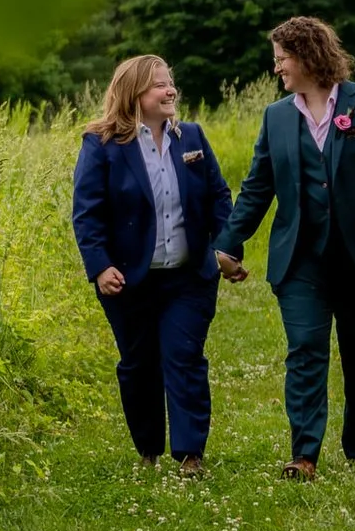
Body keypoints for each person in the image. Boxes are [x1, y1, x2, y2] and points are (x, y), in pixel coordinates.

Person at [212, 15, 355, 480]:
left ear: (306, 57)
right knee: (305, 349)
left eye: (282, 59)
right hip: (301, 259)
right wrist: (228, 243)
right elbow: (258, 186)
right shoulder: (277, 116)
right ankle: (304, 456)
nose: (277, 68)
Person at [72, 54, 235, 475]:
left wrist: (226, 247)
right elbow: (87, 213)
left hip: (189, 276)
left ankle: (190, 454)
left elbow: (219, 197)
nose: (170, 91)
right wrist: (99, 266)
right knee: (139, 363)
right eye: (159, 85)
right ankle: (148, 448)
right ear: (134, 95)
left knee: (183, 356)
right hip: (128, 278)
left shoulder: (192, 137)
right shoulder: (102, 145)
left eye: (170, 83)